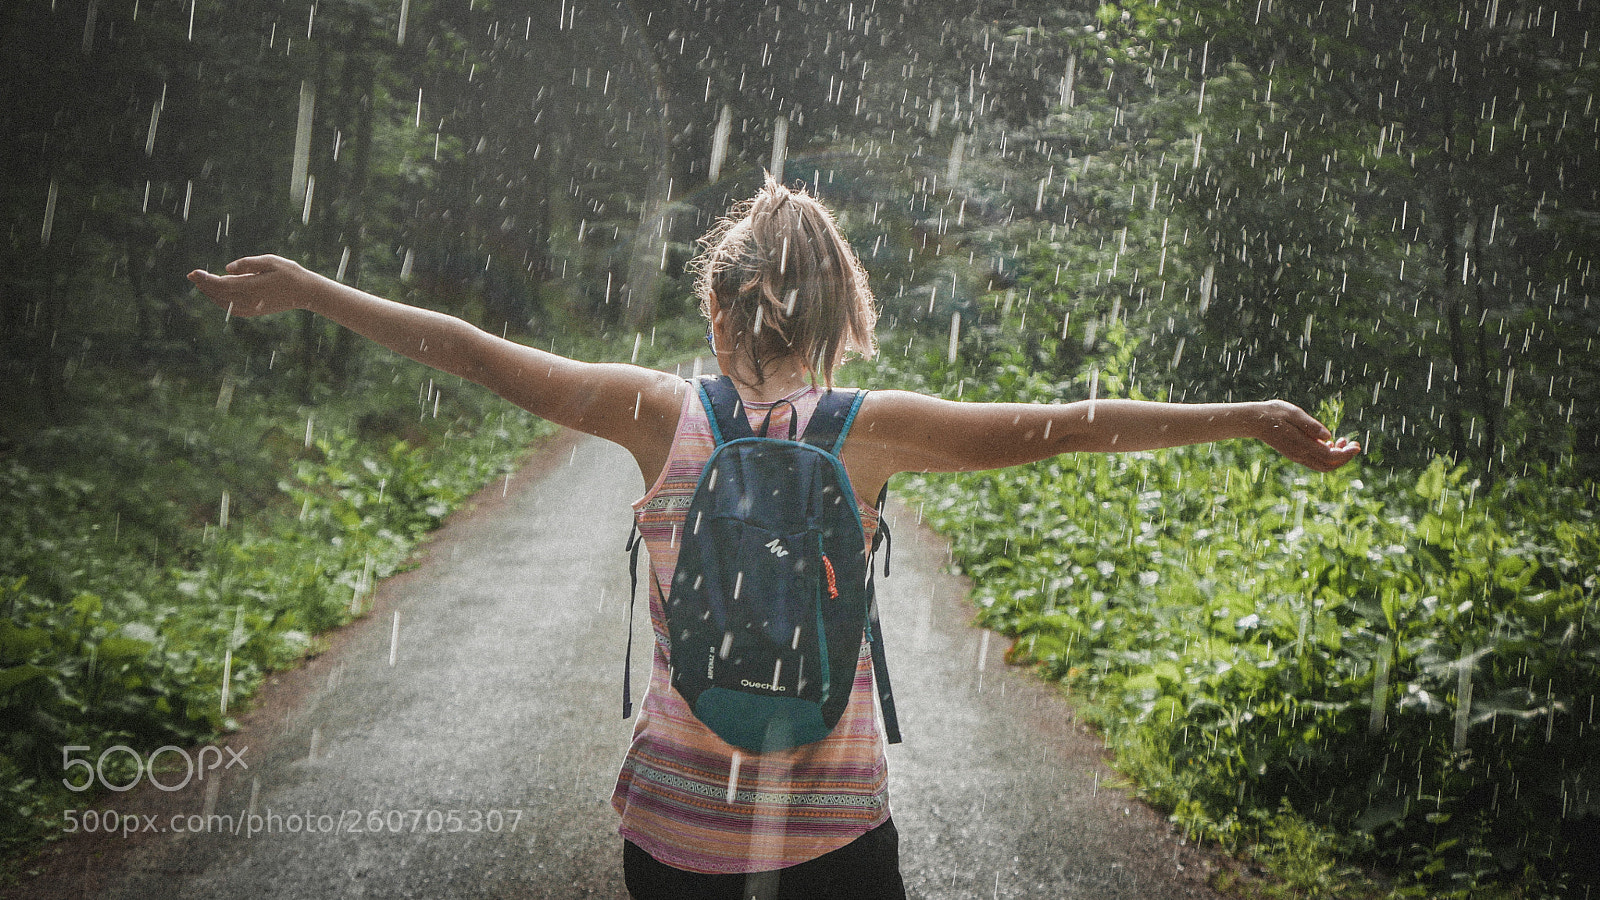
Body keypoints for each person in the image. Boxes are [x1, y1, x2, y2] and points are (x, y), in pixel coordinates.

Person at [187, 176, 1359, 899]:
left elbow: (467, 350)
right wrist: (1242, 419)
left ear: (718, 304)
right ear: (842, 313)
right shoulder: (876, 431)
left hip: (671, 826)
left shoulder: (655, 414)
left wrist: (312, 288)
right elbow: (1072, 428)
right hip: (835, 832)